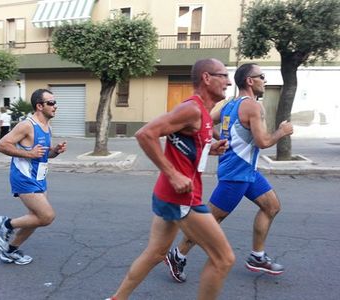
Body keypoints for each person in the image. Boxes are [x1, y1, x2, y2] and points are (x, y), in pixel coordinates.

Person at [106, 58, 235, 300]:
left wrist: (211, 148)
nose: (228, 81)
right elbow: (145, 134)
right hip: (181, 197)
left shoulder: (204, 114)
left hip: (170, 195)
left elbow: (186, 145)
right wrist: (173, 173)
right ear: (207, 78)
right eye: (223, 75)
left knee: (156, 253)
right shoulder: (192, 109)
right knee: (224, 259)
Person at [165, 63, 294, 282]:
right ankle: (177, 255)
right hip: (235, 174)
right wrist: (282, 131)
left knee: (271, 207)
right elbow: (262, 142)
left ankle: (257, 256)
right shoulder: (253, 106)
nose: (265, 80)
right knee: (209, 223)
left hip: (248, 172)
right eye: (261, 76)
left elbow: (205, 120)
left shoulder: (229, 105)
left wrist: (221, 139)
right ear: (249, 81)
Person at [0, 89, 67, 265]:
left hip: (39, 177)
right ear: (39, 106)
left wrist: (54, 151)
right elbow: (1, 145)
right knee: (46, 216)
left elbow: (42, 154)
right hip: (24, 177)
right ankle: (6, 224)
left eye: (55, 102)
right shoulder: (26, 125)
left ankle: (10, 251)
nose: (55, 106)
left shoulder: (47, 127)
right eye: (51, 103)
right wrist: (30, 154)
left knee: (35, 218)